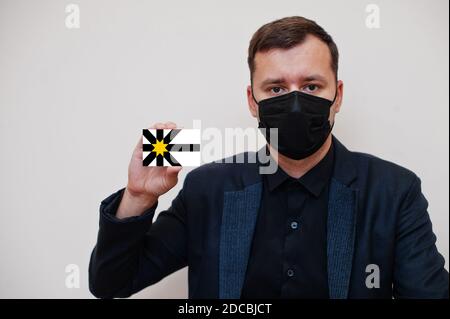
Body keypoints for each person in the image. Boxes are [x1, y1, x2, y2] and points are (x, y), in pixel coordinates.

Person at [89, 16, 449, 299]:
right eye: (276, 88)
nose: (294, 103)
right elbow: (111, 283)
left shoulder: (393, 191)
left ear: (337, 96)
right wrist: (138, 197)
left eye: (311, 87)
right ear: (252, 101)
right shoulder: (208, 189)